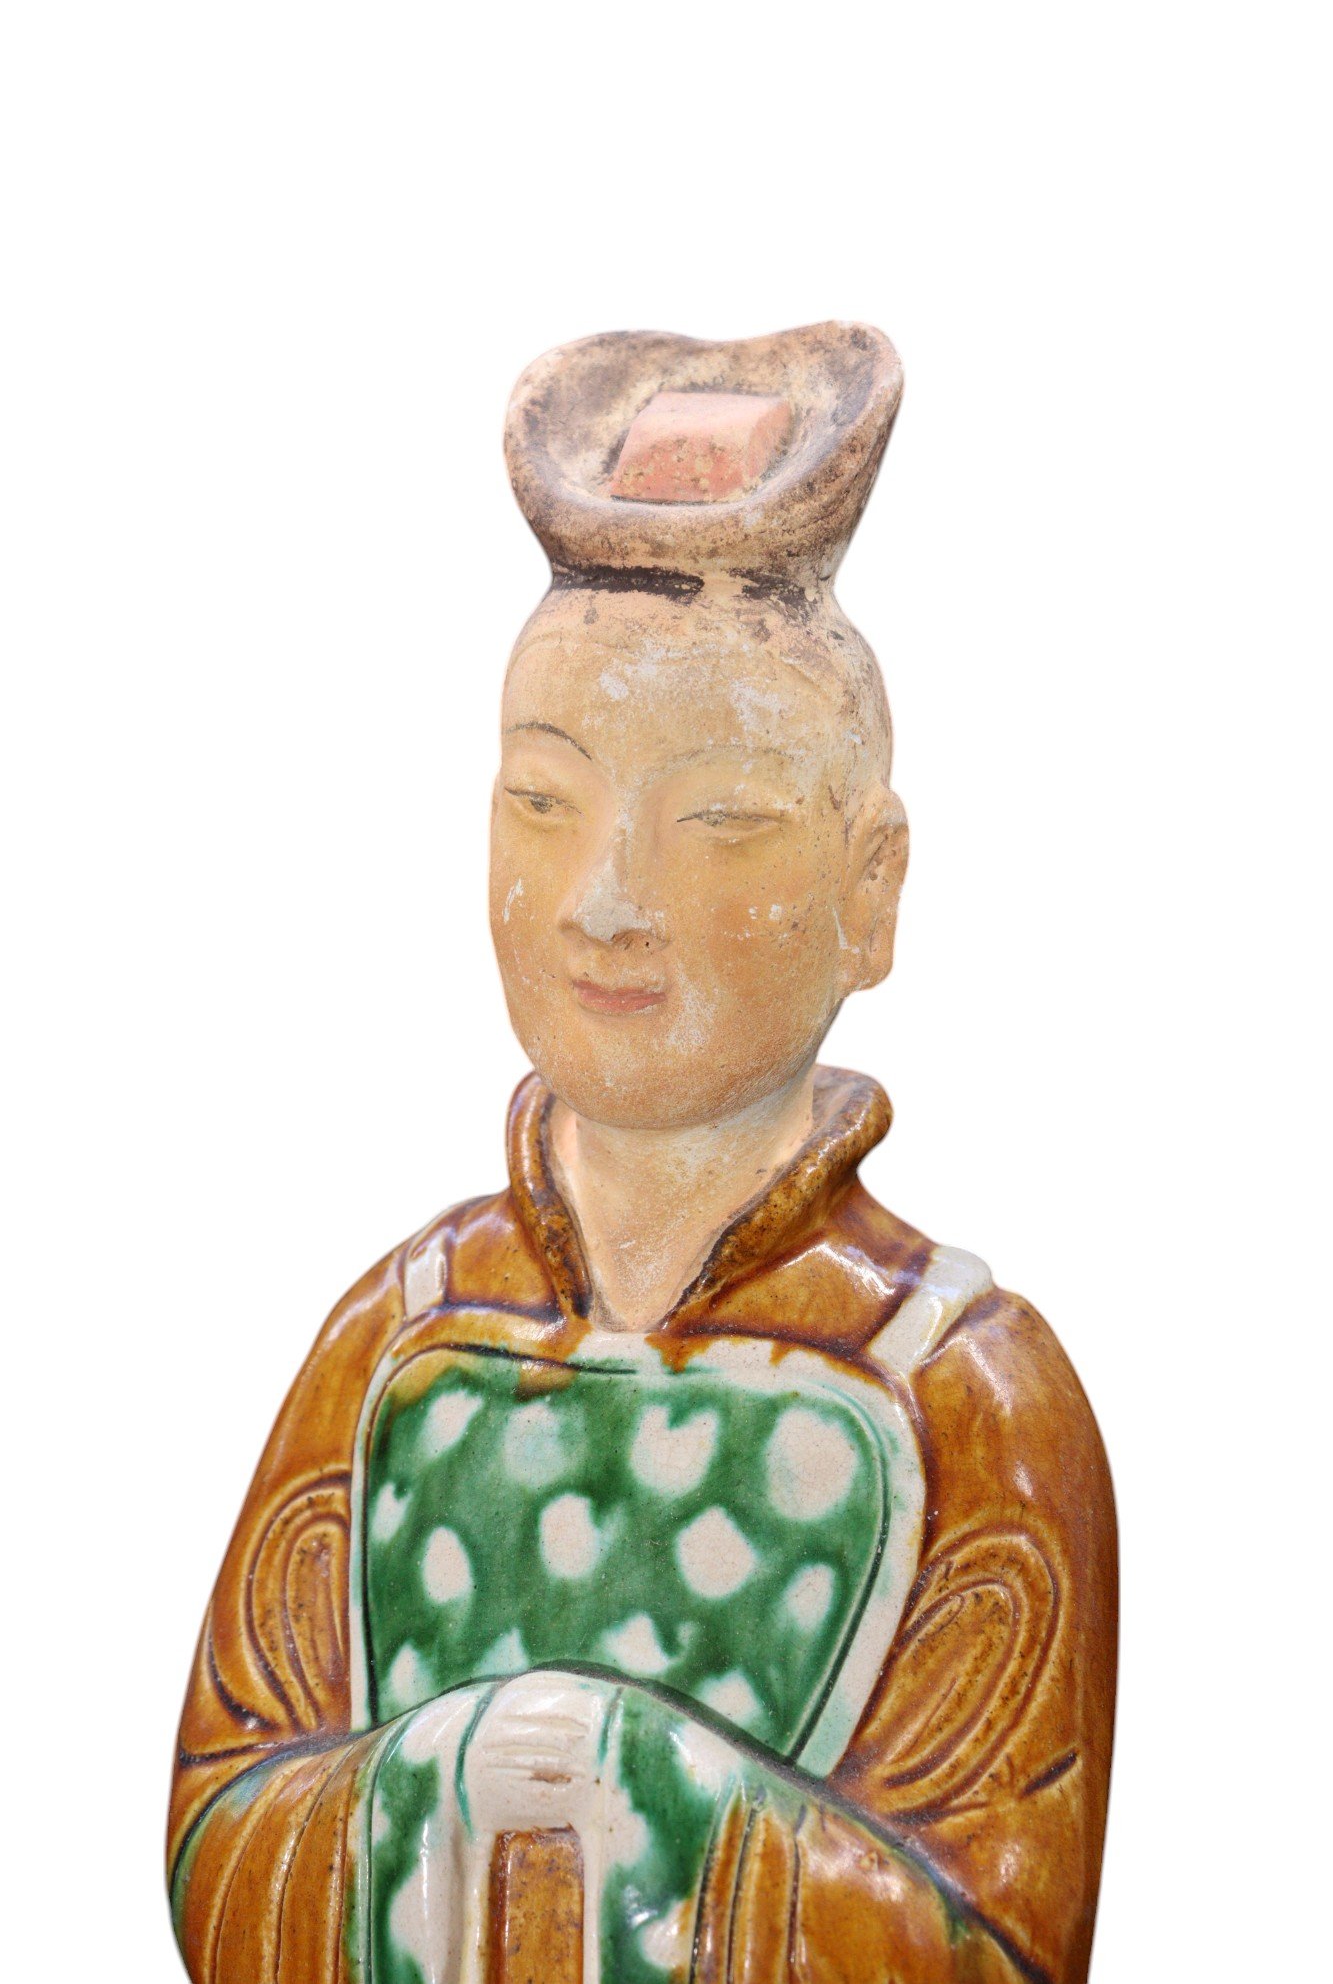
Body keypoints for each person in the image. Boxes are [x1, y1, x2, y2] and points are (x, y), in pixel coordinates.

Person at [169, 323, 1116, 1984]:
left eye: (718, 822)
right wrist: (449, 1776)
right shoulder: (399, 1332)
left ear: (872, 890)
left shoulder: (959, 1390)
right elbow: (215, 1845)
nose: (604, 900)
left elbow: (996, 1941)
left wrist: (644, 1787)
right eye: (542, 805)